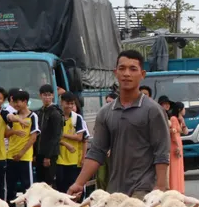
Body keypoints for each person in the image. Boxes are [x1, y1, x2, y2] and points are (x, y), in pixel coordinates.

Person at [69, 50, 170, 199]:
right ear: (115, 73)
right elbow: (97, 151)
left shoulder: (153, 110)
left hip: (145, 189)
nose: (127, 74)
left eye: (133, 69)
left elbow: (161, 151)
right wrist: (79, 183)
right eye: (122, 69)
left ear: (142, 75)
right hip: (115, 190)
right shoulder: (106, 112)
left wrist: (161, 187)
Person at [6, 89, 39, 199]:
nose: (16, 105)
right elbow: (5, 134)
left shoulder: (33, 116)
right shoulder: (13, 116)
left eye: (18, 102)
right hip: (10, 155)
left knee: (27, 186)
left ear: (25, 102)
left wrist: (21, 153)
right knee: (11, 186)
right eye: (14, 102)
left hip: (24, 157)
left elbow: (33, 137)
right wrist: (14, 131)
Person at [56, 92, 88, 193]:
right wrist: (64, 142)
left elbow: (80, 137)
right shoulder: (56, 116)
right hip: (59, 159)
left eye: (72, 104)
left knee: (73, 187)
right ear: (61, 102)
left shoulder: (77, 118)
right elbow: (53, 137)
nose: (70, 106)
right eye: (67, 103)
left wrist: (63, 135)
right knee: (61, 186)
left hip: (74, 160)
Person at [34, 84, 63, 187]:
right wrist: (35, 153)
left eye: (49, 95)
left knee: (48, 184)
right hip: (39, 153)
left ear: (53, 96)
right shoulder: (39, 112)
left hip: (50, 155)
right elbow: (36, 135)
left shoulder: (55, 113)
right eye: (44, 95)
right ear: (40, 96)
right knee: (39, 184)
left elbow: (56, 136)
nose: (47, 98)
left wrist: (48, 157)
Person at [168, 101, 187, 193]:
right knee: (175, 167)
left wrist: (183, 122)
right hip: (174, 143)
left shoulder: (179, 119)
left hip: (179, 142)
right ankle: (174, 187)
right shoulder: (173, 119)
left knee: (179, 166)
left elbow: (185, 132)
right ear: (180, 109)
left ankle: (179, 187)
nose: (185, 110)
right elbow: (174, 134)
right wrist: (176, 146)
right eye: (183, 108)